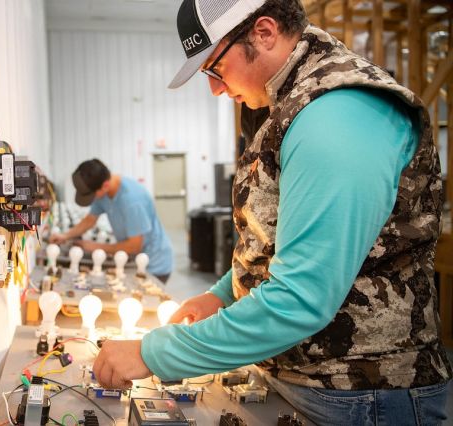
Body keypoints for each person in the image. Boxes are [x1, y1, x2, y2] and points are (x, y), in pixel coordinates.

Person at [92, 1, 452, 424]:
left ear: (263, 33)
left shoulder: (337, 113)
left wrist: (150, 353)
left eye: (214, 68)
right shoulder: (289, 104)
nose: (215, 89)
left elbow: (301, 298)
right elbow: (282, 238)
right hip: (306, 381)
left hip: (363, 394)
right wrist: (222, 294)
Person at [49, 158, 173, 282]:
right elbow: (90, 220)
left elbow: (135, 245)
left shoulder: (132, 201)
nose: (94, 199)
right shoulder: (103, 192)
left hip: (153, 264)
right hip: (131, 258)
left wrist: (95, 246)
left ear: (105, 185)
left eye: (93, 195)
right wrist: (65, 236)